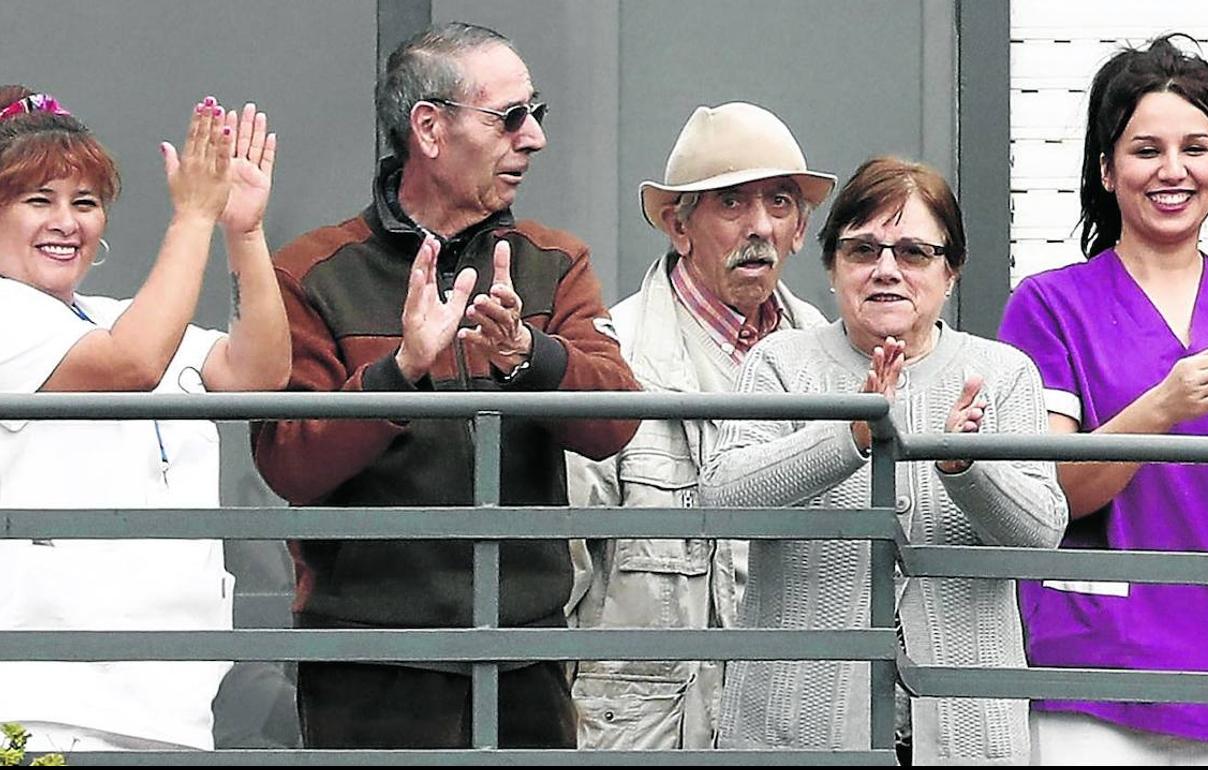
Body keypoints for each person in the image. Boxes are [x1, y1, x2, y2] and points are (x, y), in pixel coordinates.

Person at [249, 22, 638, 750]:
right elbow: (288, 463)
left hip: (526, 650)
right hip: (371, 657)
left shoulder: (554, 262)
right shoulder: (312, 273)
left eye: (538, 115)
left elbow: (616, 420)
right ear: (429, 128)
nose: (534, 139)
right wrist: (400, 374)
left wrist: (529, 355)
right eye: (511, 117)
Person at [700, 156, 1067, 764]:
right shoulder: (781, 363)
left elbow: (1039, 535)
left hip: (966, 731)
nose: (886, 271)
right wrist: (850, 434)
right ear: (832, 266)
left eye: (915, 253)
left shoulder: (1002, 373)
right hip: (795, 726)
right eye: (863, 250)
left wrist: (964, 467)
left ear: (951, 272)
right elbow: (724, 500)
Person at [0, 87, 289, 751]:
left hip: (174, 705)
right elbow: (132, 364)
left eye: (85, 202)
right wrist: (191, 217)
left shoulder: (115, 314)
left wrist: (241, 231)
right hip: (43, 706)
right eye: (37, 200)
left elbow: (257, 375)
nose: (66, 222)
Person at [998, 35, 1208, 764]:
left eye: (1195, 147)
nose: (1172, 171)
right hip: (1097, 675)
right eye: (1146, 150)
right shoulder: (1050, 307)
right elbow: (1052, 498)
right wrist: (1160, 410)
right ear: (1106, 169)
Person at [565, 101, 833, 750]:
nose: (761, 226)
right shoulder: (612, 358)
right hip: (641, 735)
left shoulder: (834, 366)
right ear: (678, 227)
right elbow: (562, 572)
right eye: (732, 204)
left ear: (801, 230)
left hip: (790, 727)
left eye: (779, 202)